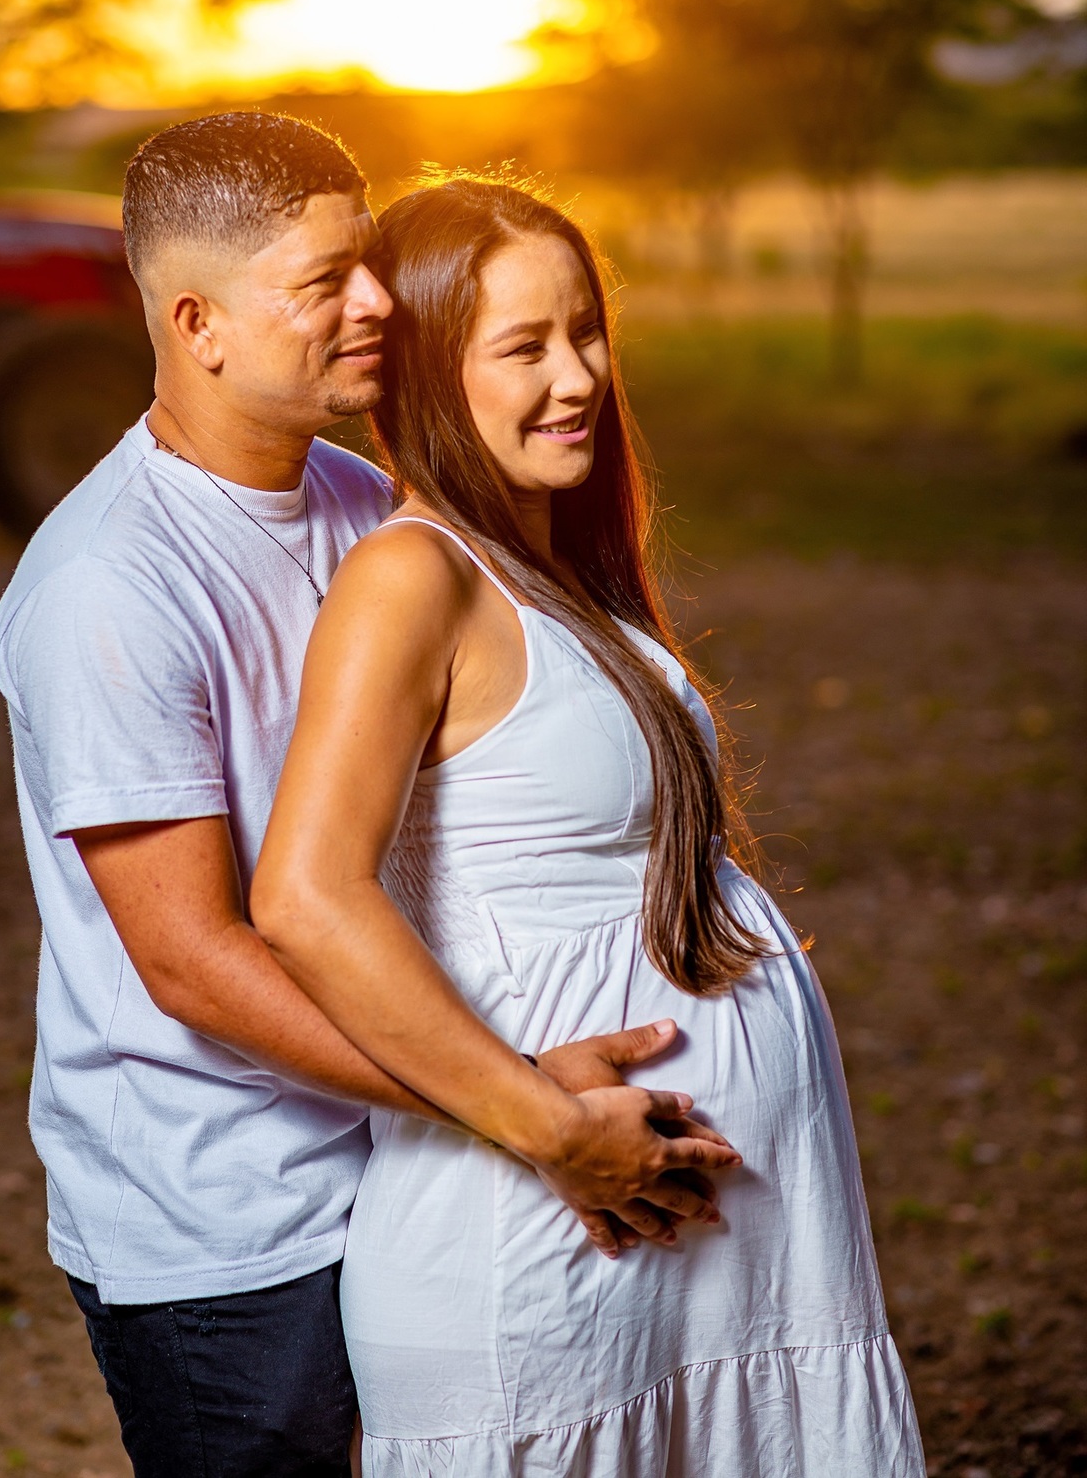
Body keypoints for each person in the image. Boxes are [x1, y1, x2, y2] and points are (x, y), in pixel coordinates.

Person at [0, 115, 742, 1478]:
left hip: (416, 1155)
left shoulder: (364, 507)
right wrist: (519, 1106)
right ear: (199, 322)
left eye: (372, 263)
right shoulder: (108, 584)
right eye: (326, 279)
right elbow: (196, 958)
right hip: (226, 1212)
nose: (380, 302)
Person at [248, 175, 926, 1476]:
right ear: (432, 376)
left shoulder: (552, 570)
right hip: (545, 1245)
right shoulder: (411, 575)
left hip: (703, 1275)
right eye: (523, 347)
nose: (578, 377)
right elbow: (307, 896)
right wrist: (556, 1131)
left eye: (585, 330)